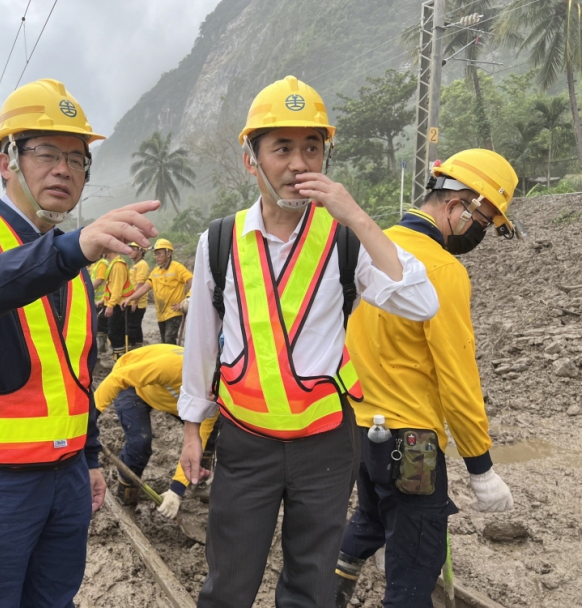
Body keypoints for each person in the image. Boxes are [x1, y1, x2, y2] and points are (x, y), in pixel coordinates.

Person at [177, 75, 440, 607]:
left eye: (312, 148)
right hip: (245, 440)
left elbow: (420, 302)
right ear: (252, 159)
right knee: (228, 579)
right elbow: (201, 342)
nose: (299, 163)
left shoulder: (346, 237)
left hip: (325, 443)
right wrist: (191, 430)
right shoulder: (221, 240)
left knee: (312, 584)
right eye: (282, 148)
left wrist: (359, 217)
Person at [0, 78, 159, 607]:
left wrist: (90, 457)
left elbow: (75, 373)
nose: (63, 169)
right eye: (46, 153)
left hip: (66, 478)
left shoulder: (74, 264)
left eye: (77, 159)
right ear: (7, 161)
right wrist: (70, 248)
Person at [334, 149, 518, 608]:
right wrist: (481, 467)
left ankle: (329, 592)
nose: (482, 234)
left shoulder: (367, 249)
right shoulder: (442, 270)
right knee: (417, 561)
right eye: (485, 221)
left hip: (356, 427)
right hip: (411, 441)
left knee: (372, 518)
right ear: (457, 206)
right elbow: (458, 377)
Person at [94, 343, 218, 516]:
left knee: (213, 432)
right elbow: (118, 378)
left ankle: (198, 479)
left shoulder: (214, 401)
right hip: (134, 386)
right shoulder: (175, 366)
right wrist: (90, 419)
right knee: (140, 442)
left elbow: (199, 438)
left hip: (171, 399)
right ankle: (127, 495)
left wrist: (176, 489)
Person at [123, 238, 192, 344]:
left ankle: (173, 360)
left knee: (169, 339)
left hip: (174, 312)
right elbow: (145, 287)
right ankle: (170, 359)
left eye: (159, 253)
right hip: (161, 313)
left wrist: (185, 300)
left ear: (168, 253)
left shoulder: (177, 268)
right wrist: (130, 298)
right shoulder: (155, 271)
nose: (156, 257)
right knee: (165, 342)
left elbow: (193, 282)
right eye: (155, 254)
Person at [103, 251, 134, 360]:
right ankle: (118, 358)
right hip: (116, 304)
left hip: (120, 305)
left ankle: (120, 360)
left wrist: (110, 305)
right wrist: (104, 301)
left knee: (116, 334)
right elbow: (110, 287)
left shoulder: (118, 265)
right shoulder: (113, 263)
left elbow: (117, 288)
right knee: (114, 333)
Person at [125, 242, 149, 348]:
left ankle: (133, 347)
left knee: (133, 327)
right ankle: (138, 346)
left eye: (133, 249)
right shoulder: (135, 265)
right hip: (133, 300)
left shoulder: (142, 265)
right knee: (136, 327)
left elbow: (140, 284)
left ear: (140, 251)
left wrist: (135, 301)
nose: (130, 251)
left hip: (138, 302)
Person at [89, 255, 109, 352]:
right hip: (96, 299)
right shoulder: (96, 264)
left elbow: (99, 280)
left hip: (99, 299)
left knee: (100, 324)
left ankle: (102, 346)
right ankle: (102, 345)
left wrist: (87, 290)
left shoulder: (102, 263)